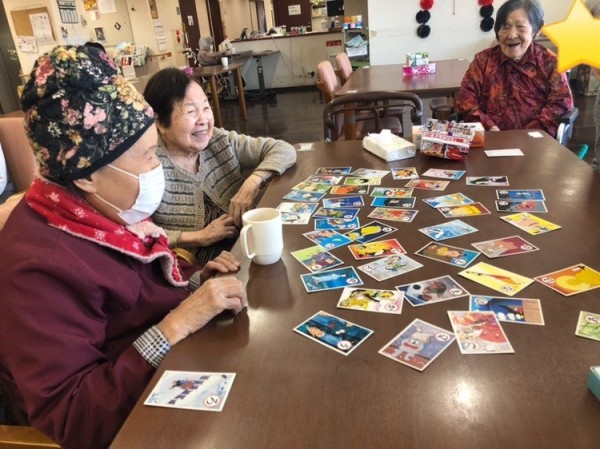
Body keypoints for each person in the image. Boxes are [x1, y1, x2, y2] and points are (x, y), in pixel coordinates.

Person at [0, 45, 247, 449]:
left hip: (160, 377)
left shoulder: (100, 209)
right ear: (87, 175)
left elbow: (138, 288)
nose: (158, 168)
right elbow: (73, 415)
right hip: (129, 422)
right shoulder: (39, 266)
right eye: (148, 157)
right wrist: (173, 327)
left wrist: (195, 281)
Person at [143, 68, 296, 265]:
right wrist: (196, 237)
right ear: (160, 122)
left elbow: (284, 149)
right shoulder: (147, 166)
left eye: (206, 108)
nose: (204, 120)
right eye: (191, 111)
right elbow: (136, 233)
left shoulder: (218, 140)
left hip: (248, 246)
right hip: (198, 269)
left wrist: (252, 182)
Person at [455, 0, 573, 137]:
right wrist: (489, 127)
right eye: (505, 27)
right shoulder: (483, 61)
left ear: (537, 28)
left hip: (535, 142)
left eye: (520, 27)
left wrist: (526, 135)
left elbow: (560, 104)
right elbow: (465, 99)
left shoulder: (550, 63)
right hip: (489, 139)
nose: (511, 35)